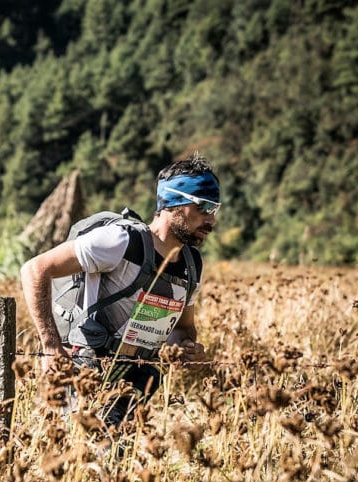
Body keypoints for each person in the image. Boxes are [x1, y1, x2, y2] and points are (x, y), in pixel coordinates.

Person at [20, 155, 220, 428]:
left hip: (135, 383)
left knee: (118, 453)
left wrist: (185, 349)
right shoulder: (120, 241)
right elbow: (35, 269)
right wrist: (51, 346)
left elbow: (183, 329)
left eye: (215, 209)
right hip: (86, 374)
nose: (212, 220)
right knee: (89, 451)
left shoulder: (191, 264)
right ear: (174, 203)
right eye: (204, 207)